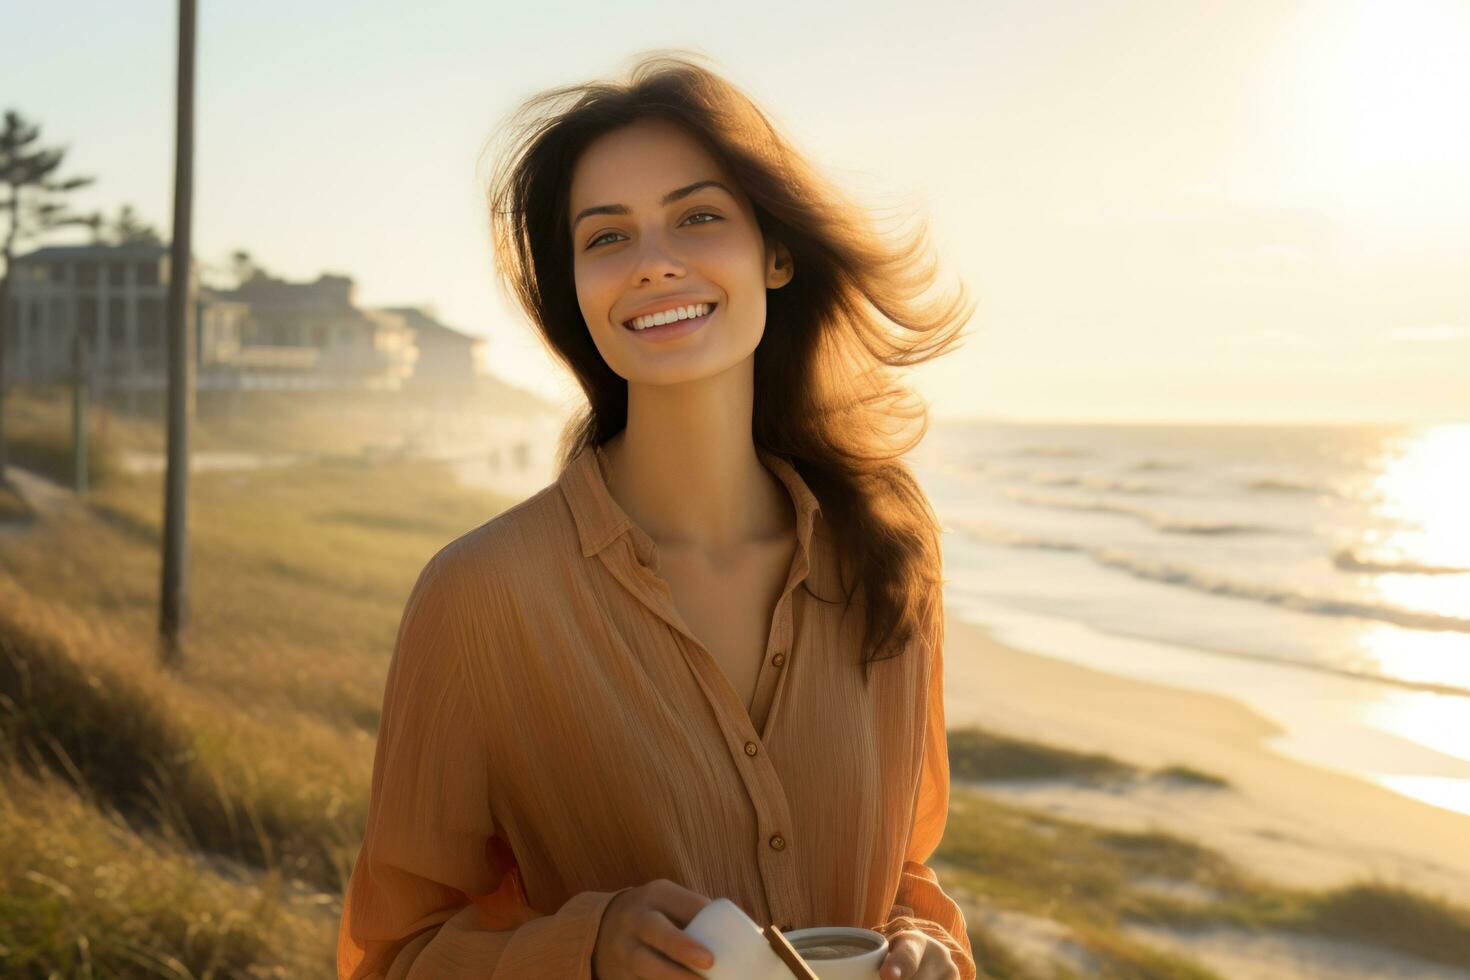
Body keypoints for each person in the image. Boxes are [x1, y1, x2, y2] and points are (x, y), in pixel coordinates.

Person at [337, 51, 977, 980]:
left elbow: (904, 873)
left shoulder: (885, 546)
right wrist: (585, 951)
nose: (655, 262)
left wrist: (927, 947)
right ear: (576, 291)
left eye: (699, 216)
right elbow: (394, 956)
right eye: (606, 238)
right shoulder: (480, 597)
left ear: (777, 250)